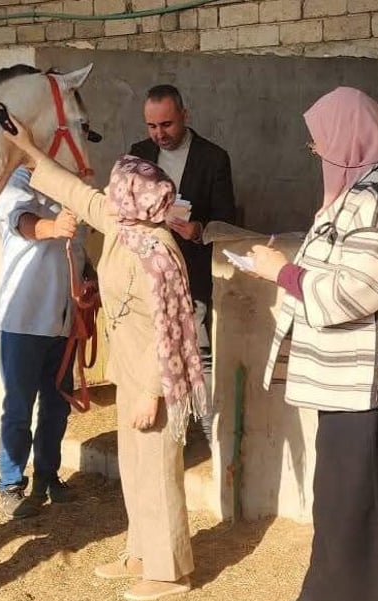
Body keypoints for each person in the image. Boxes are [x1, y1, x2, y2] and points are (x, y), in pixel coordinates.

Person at [247, 87, 378, 601]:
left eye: (320, 143)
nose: (318, 154)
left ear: (349, 138)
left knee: (368, 508)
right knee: (350, 505)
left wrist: (282, 273)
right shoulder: (365, 192)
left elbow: (352, 290)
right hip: (360, 384)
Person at [2, 115, 208, 601]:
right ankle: (141, 552)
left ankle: (170, 572)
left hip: (153, 379)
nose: (109, 196)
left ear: (134, 199)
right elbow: (75, 192)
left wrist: (153, 393)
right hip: (129, 372)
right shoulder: (125, 225)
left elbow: (171, 332)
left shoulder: (158, 254)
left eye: (118, 190)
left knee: (158, 470)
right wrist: (30, 149)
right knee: (135, 468)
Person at [129, 85, 235, 442]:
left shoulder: (214, 158)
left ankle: (209, 433)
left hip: (193, 271)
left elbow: (227, 220)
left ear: (185, 116)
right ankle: (174, 433)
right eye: (152, 126)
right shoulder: (139, 155)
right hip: (149, 269)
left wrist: (199, 230)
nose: (159, 134)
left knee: (199, 349)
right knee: (153, 345)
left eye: (167, 124)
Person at [0, 165, 88, 519]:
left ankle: (48, 475)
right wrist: (53, 227)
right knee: (19, 405)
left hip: (62, 320)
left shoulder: (75, 186)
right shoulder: (19, 179)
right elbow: (21, 221)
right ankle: (10, 482)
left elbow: (77, 250)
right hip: (24, 318)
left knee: (57, 405)